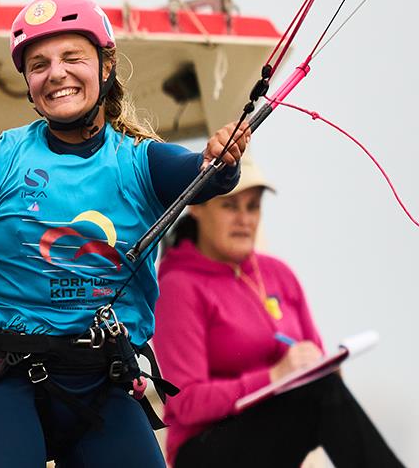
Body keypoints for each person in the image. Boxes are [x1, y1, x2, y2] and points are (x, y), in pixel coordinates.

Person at [0, 0, 251, 467]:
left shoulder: (140, 163)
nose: (56, 73)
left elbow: (205, 173)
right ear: (28, 83)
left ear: (105, 66)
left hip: (104, 384)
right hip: (4, 379)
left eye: (72, 58)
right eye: (39, 64)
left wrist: (222, 157)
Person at [152, 157, 404, 467]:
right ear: (197, 206)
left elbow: (315, 364)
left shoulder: (278, 274)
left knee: (324, 388)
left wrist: (323, 366)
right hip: (205, 450)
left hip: (272, 437)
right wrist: (274, 376)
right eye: (230, 206)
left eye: (253, 206)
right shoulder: (178, 285)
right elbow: (186, 402)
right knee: (320, 393)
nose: (244, 219)